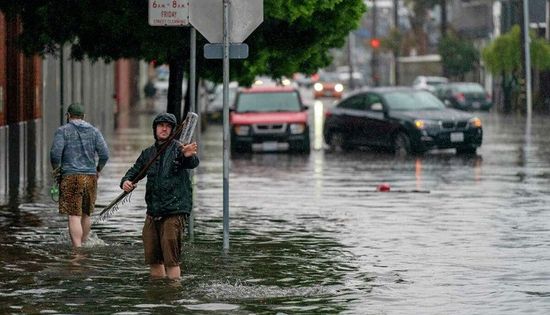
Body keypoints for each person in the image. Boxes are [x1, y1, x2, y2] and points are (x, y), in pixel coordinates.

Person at [120, 112, 199, 280]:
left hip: (174, 212)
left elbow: (191, 162)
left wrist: (187, 155)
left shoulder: (179, 149)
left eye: (168, 126)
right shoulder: (148, 153)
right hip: (152, 213)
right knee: (154, 260)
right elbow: (134, 172)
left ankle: (173, 296)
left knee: (172, 261)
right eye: (161, 125)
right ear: (155, 129)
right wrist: (126, 182)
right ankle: (157, 296)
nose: (164, 128)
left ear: (172, 130)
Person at [50, 103, 109, 248]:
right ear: (84, 116)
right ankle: (84, 243)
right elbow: (104, 154)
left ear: (68, 116)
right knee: (86, 214)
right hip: (90, 177)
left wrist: (57, 171)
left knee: (73, 215)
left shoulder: (62, 131)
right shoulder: (94, 132)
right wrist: (98, 169)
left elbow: (55, 154)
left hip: (70, 177)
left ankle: (77, 249)